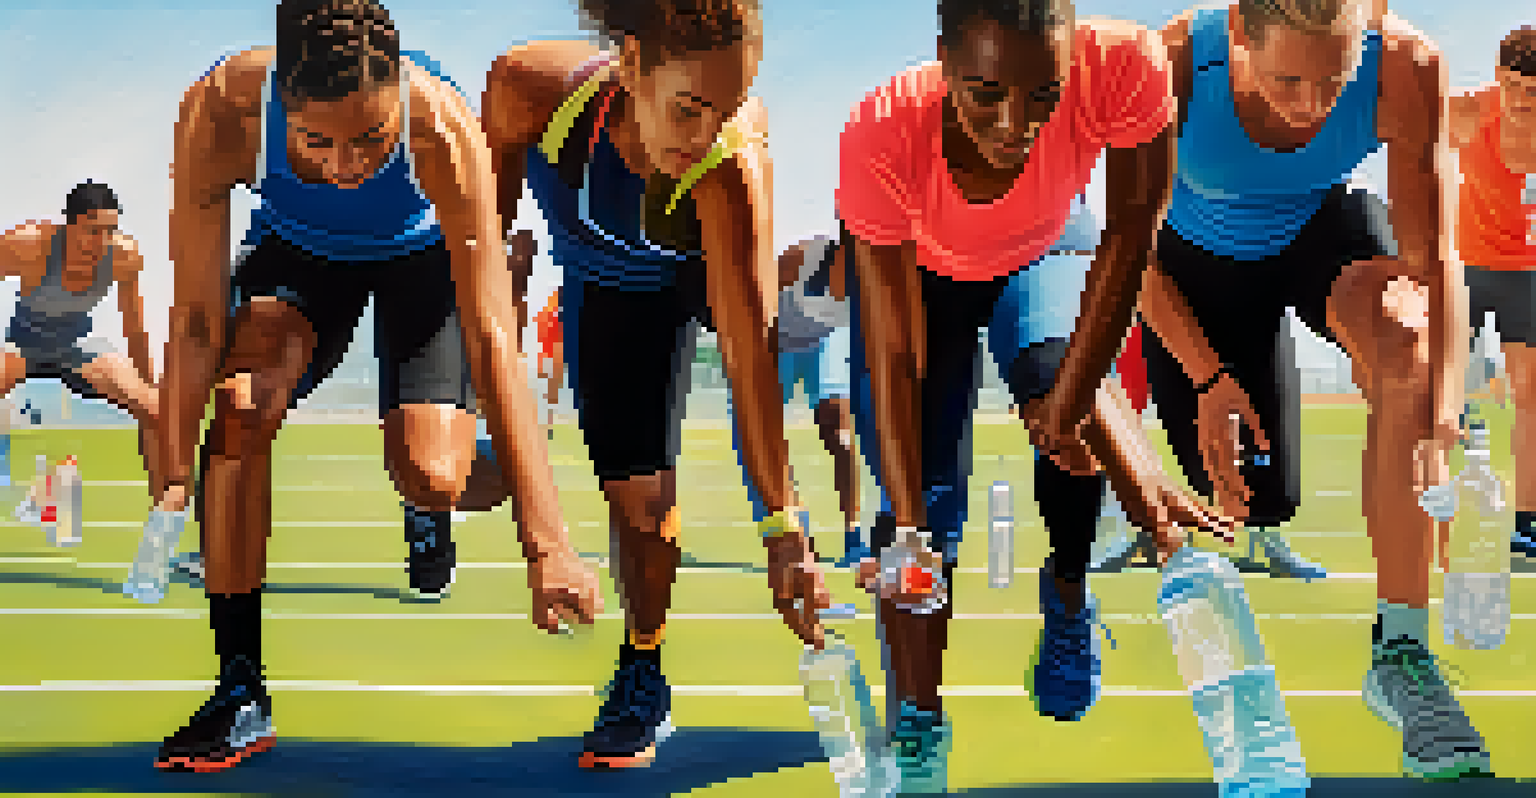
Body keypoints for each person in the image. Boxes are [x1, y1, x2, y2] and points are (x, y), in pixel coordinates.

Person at [152, 0, 601, 772]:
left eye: (371, 139)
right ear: (280, 106)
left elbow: (494, 336)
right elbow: (195, 319)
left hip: (419, 262)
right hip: (295, 254)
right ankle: (240, 691)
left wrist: (547, 543)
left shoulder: (445, 128)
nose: (346, 165)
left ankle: (433, 504)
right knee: (239, 407)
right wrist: (170, 457)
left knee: (432, 474)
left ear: (400, 96)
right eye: (315, 142)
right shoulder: (220, 110)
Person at [839, 0, 1234, 786]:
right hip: (924, 279)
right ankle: (917, 722)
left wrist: (1070, 400)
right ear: (944, 57)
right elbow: (891, 351)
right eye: (985, 92)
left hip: (1045, 248)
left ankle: (1068, 591)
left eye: (1044, 95)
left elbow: (1129, 232)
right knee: (921, 512)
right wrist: (911, 526)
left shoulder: (1125, 65)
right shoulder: (881, 132)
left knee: (1076, 423)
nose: (1016, 123)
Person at [1138, 0, 1490, 778]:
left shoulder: (1405, 65)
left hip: (1315, 232)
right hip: (1193, 268)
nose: (1309, 106)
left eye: (1333, 79)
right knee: (1261, 502)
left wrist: (1437, 417)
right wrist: (1209, 377)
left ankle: (1401, 653)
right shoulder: (1169, 67)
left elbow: (1435, 257)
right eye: (1285, 78)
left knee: (1408, 342)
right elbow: (1131, 253)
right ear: (1238, 32)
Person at [482, 0, 830, 770]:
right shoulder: (525, 88)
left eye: (729, 106)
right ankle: (646, 663)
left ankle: (817, 282)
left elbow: (748, 363)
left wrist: (785, 529)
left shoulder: (726, 163)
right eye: (690, 107)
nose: (705, 133)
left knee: (774, 317)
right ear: (630, 64)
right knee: (642, 508)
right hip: (609, 286)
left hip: (710, 267)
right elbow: (484, 265)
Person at [0, 182, 163, 501]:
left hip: (78, 346)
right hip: (23, 343)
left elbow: (134, 326)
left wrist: (148, 389)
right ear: (68, 224)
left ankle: (166, 512)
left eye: (109, 231)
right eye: (92, 230)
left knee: (157, 409)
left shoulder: (123, 256)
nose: (100, 242)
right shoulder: (29, 244)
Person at [1452, 25, 1536, 559]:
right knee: (1431, 392)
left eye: (1535, 92)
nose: (1522, 101)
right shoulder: (1465, 113)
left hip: (1526, 272)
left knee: (1530, 397)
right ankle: (1425, 503)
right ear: (1498, 77)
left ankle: (1527, 525)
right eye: (1513, 87)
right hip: (1464, 267)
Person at [766, 234, 862, 565]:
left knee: (840, 435)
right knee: (767, 435)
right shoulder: (800, 259)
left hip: (828, 340)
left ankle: (854, 534)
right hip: (782, 342)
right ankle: (794, 527)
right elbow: (761, 295)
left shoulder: (872, 273)